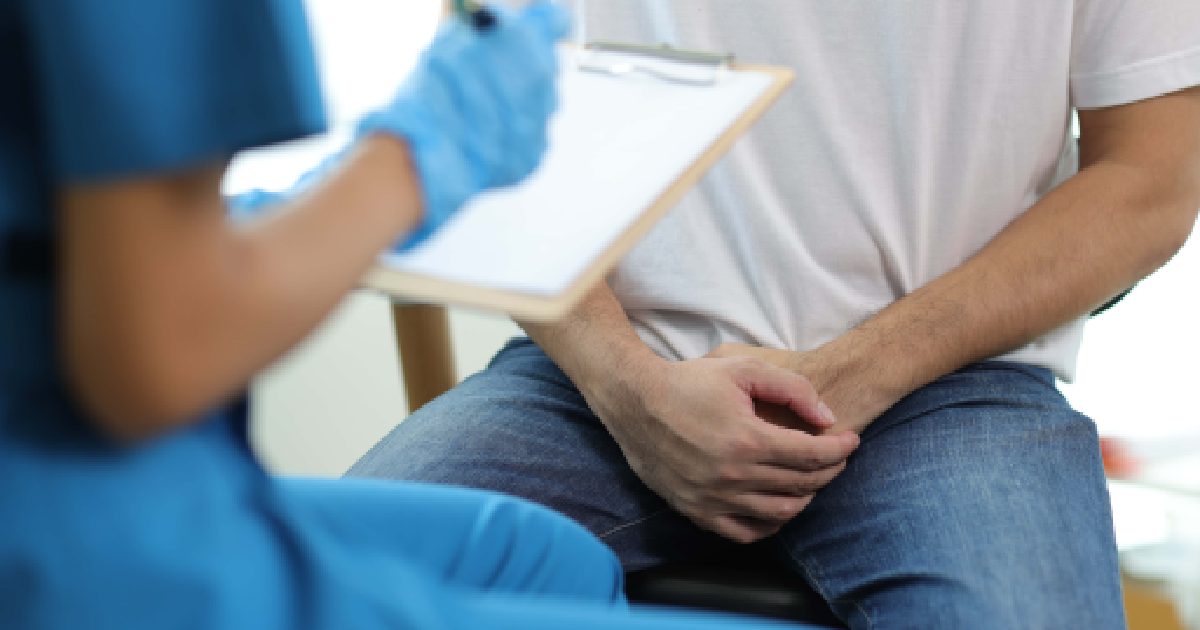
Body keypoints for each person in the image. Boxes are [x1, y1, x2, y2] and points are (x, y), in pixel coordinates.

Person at [350, 0, 1200, 627]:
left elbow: (1151, 181)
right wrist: (633, 392)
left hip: (952, 388)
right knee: (313, 585)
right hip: (603, 376)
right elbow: (489, 128)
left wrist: (853, 374)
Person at [0, 0, 839, 628]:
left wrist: (279, 216)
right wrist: (416, 158)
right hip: (85, 538)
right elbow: (158, 355)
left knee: (540, 554)